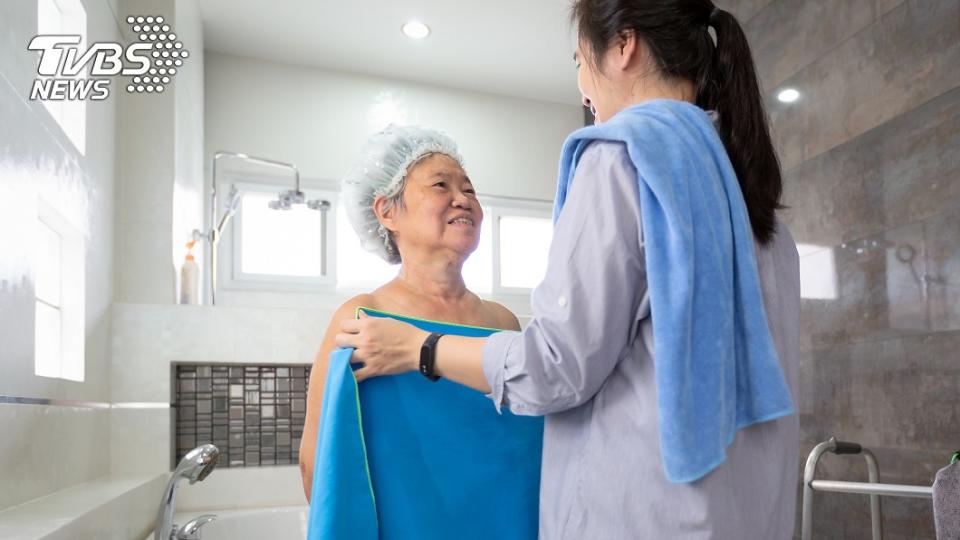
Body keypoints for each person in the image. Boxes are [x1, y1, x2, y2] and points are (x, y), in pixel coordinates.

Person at [333, 1, 802, 538]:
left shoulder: (622, 160)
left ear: (624, 45)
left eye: (579, 59)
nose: (581, 86)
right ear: (386, 213)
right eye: (441, 186)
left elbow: (553, 367)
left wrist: (421, 349)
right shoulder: (752, 201)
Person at [298, 125, 520, 500]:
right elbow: (318, 461)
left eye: (469, 189)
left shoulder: (502, 322)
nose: (463, 199)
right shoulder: (362, 317)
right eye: (440, 186)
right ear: (387, 211)